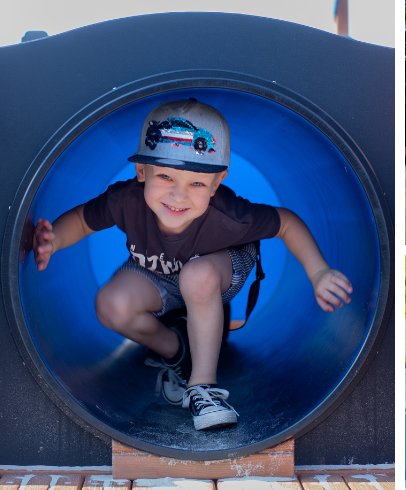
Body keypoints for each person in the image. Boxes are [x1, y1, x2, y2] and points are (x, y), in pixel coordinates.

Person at [32, 98, 352, 431]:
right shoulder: (125, 200)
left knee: (197, 276)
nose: (178, 196)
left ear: (217, 183)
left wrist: (319, 272)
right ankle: (177, 350)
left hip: (219, 268)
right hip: (158, 271)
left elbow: (285, 223)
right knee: (111, 305)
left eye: (197, 183)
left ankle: (202, 388)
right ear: (141, 172)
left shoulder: (230, 215)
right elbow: (83, 220)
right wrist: (53, 239)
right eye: (166, 177)